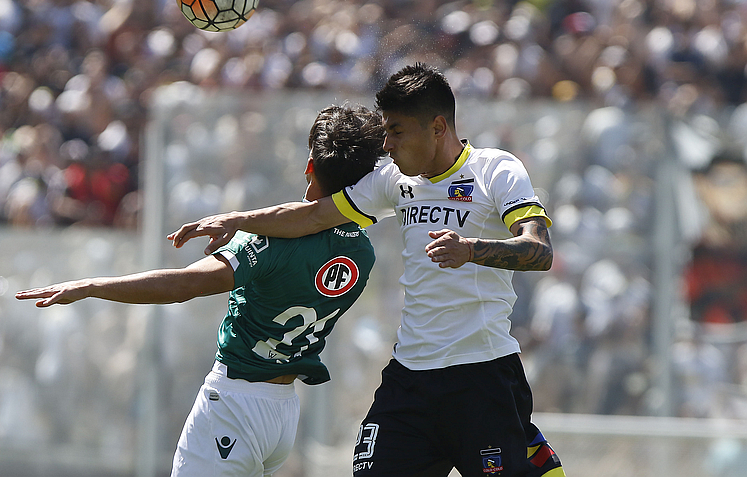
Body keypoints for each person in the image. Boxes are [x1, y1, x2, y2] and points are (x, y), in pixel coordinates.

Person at [168, 63, 566, 477]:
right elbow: (311, 217)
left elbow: (539, 251)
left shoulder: (494, 170)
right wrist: (236, 220)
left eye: (396, 131)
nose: (387, 146)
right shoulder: (393, 180)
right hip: (410, 380)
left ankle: (531, 453)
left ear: (437, 127)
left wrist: (471, 249)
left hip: (482, 377)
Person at [16, 104, 388, 477]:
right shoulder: (362, 252)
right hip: (284, 412)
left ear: (309, 165)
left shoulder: (271, 242)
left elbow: (185, 284)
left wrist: (90, 286)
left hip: (234, 406)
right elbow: (313, 227)